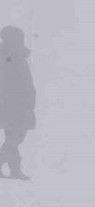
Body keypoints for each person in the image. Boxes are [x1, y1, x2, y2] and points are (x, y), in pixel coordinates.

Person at [0, 25, 36, 180]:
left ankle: (15, 170)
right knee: (15, 137)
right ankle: (14, 169)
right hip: (13, 105)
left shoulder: (14, 56)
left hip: (19, 104)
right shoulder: (8, 57)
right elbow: (10, 82)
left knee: (14, 137)